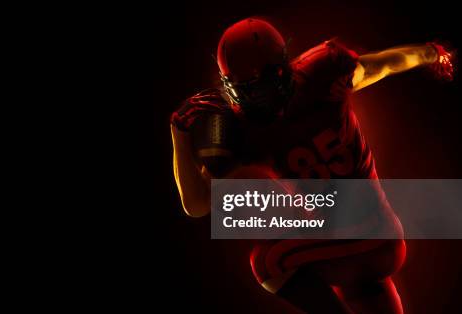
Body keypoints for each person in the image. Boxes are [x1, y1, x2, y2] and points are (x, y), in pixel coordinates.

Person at [170, 17, 453, 313]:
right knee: (363, 291)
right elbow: (382, 65)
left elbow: (196, 204)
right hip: (375, 237)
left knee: (269, 263)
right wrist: (431, 52)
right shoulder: (321, 71)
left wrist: (179, 130)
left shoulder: (250, 123)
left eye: (264, 84)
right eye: (248, 88)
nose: (259, 97)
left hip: (357, 240)